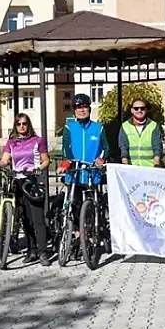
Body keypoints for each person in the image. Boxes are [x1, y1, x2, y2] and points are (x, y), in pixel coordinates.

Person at [0, 113, 51, 264]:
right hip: (18, 182)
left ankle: (43, 252)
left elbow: (46, 160)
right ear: (15, 126)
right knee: (25, 219)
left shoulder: (38, 141)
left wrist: (38, 168)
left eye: (24, 123)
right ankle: (31, 250)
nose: (22, 126)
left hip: (32, 182)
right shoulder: (12, 142)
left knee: (37, 219)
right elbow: (4, 160)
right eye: (18, 124)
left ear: (29, 124)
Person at [58, 93, 109, 236]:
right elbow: (66, 148)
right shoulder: (69, 128)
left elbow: (106, 148)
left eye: (85, 107)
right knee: (74, 204)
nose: (82, 110)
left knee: (92, 205)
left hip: (92, 173)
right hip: (75, 173)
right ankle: (75, 233)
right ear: (74, 110)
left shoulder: (98, 127)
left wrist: (101, 159)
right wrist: (68, 162)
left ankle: (91, 231)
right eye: (78, 107)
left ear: (89, 109)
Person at [118, 99, 163, 167]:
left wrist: (156, 164)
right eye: (136, 108)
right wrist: (125, 165)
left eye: (142, 108)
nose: (139, 110)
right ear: (132, 110)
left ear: (146, 110)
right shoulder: (125, 126)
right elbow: (123, 148)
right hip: (132, 168)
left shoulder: (153, 126)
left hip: (150, 168)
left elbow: (157, 147)